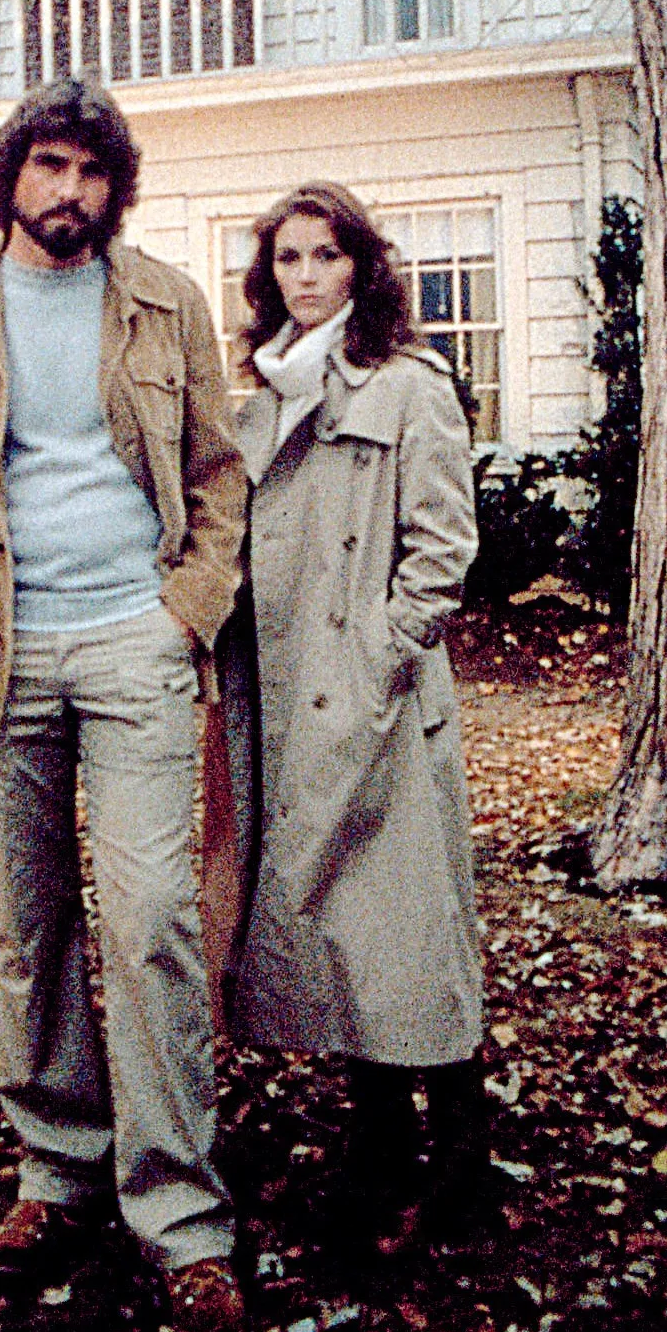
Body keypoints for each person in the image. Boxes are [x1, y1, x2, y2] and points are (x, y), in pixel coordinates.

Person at [0, 79, 247, 1332]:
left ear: (114, 185)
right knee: (30, 928)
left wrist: (184, 611)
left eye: (91, 170)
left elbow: (214, 472)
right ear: (10, 177)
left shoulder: (164, 304)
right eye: (48, 166)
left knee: (150, 919)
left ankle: (183, 1216)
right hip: (0, 657)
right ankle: (59, 1167)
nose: (69, 192)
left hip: (135, 647)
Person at [217, 180, 488, 1254]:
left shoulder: (411, 384)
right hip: (289, 702)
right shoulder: (263, 399)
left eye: (326, 254)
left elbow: (444, 548)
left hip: (377, 706)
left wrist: (380, 655)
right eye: (289, 257)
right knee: (338, 932)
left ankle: (462, 1157)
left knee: (412, 935)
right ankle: (376, 1145)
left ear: (362, 267)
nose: (307, 274)